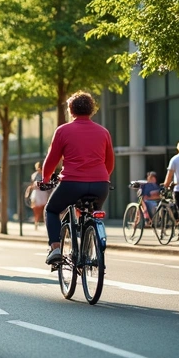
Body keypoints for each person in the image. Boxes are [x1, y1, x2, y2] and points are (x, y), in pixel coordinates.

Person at [41, 91, 114, 264]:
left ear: (70, 110)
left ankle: (56, 249)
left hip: (71, 184)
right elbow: (109, 162)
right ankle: (89, 241)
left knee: (51, 210)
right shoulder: (103, 132)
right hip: (100, 184)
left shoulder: (63, 130)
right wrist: (104, 178)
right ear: (92, 110)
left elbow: (52, 160)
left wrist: (45, 179)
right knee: (91, 212)